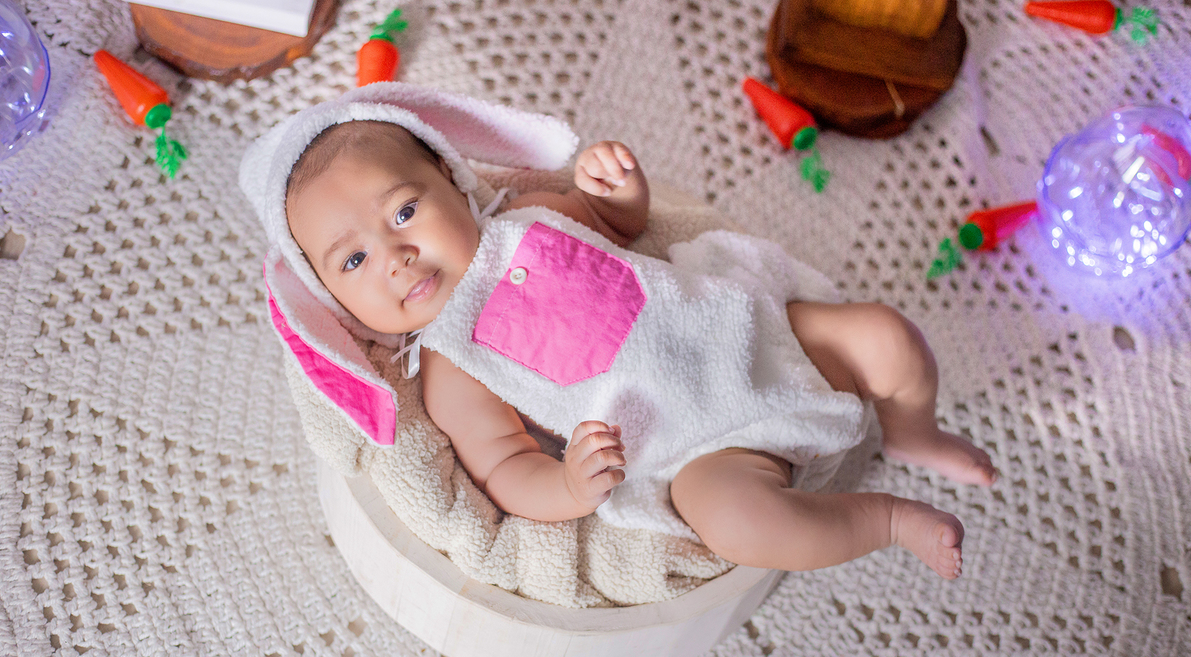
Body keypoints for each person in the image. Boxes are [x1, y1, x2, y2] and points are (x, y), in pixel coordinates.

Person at [250, 86, 996, 581]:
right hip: (698, 451)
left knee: (889, 338)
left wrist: (619, 190)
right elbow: (505, 467)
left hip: (756, 337)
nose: (395, 255)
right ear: (338, 305)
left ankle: (913, 431)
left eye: (404, 211)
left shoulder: (534, 218)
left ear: (454, 180)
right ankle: (887, 519)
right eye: (354, 260)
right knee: (744, 525)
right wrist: (569, 484)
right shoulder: (452, 367)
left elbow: (621, 229)